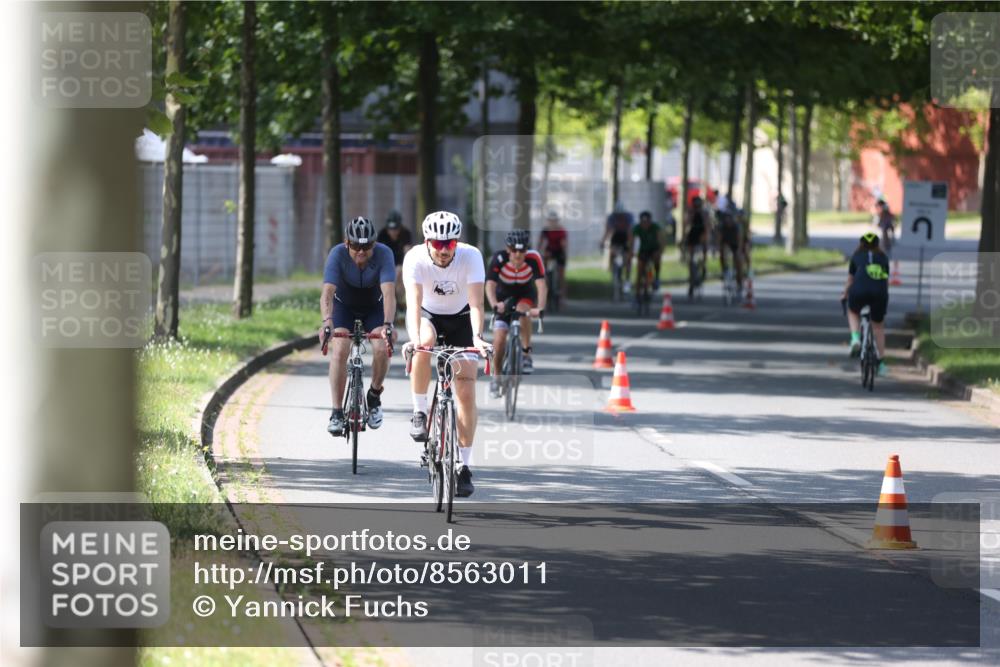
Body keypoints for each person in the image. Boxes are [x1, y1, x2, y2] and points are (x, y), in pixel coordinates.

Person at [402, 211, 491, 497]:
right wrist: (415, 340)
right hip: (428, 315)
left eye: (449, 244)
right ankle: (419, 411)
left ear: (457, 242)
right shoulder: (415, 258)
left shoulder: (471, 256)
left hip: (462, 318)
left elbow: (476, 303)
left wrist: (478, 338)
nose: (443, 250)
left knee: (465, 389)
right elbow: (413, 304)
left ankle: (464, 466)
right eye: (438, 244)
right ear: (427, 242)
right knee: (424, 344)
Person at [320, 216, 396, 437]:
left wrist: (388, 325)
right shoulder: (337, 254)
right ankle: (336, 412)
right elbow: (327, 293)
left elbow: (389, 294)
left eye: (367, 246)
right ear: (347, 243)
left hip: (374, 307)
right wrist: (327, 322)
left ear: (374, 243)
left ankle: (374, 395)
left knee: (381, 347)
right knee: (340, 349)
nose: (361, 252)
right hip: (344, 307)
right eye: (355, 246)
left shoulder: (384, 253)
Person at [486, 230, 547, 397]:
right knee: (499, 340)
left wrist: (540, 308)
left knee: (523, 311)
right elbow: (490, 284)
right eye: (514, 250)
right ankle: (496, 377)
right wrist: (494, 304)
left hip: (525, 295)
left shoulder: (534, 258)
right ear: (508, 249)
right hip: (503, 298)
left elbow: (541, 286)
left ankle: (526, 354)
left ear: (527, 250)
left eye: (522, 250)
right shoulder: (499, 258)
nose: (518, 254)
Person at [842, 232, 890, 376]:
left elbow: (850, 280)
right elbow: (885, 279)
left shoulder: (856, 256)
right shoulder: (883, 257)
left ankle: (855, 339)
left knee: (853, 311)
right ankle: (881, 364)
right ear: (877, 244)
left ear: (861, 244)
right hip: (879, 293)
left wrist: (844, 294)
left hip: (859, 291)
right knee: (878, 327)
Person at [376, 210, 413, 317]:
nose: (393, 232)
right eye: (390, 229)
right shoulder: (382, 235)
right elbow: (379, 255)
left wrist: (403, 267)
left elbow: (407, 253)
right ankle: (391, 305)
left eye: (396, 229)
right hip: (386, 265)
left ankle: (400, 304)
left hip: (401, 265)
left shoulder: (405, 234)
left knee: (400, 275)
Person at [601, 201, 635, 293]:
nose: (619, 216)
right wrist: (603, 242)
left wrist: (630, 247)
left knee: (627, 258)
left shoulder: (629, 217)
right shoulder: (611, 217)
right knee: (612, 251)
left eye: (621, 214)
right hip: (616, 237)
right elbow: (608, 231)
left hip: (626, 236)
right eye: (618, 215)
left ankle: (627, 278)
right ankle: (613, 269)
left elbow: (631, 233)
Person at [683, 196, 711, 298]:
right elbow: (687, 224)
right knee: (691, 260)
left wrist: (706, 239)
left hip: (702, 233)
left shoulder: (704, 212)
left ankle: (703, 266)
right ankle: (691, 283)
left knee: (703, 250)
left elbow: (707, 225)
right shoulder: (690, 212)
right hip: (693, 234)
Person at [537, 210, 568, 302]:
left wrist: (564, 252)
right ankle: (545, 294)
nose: (552, 223)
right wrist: (539, 253)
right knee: (544, 273)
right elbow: (540, 243)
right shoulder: (545, 230)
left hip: (559, 251)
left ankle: (562, 298)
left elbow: (564, 244)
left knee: (561, 275)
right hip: (549, 251)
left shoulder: (561, 230)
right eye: (551, 220)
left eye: (554, 221)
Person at [632, 211, 663, 294]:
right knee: (639, 271)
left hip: (654, 249)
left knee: (656, 260)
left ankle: (656, 277)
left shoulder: (655, 227)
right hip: (643, 250)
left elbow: (661, 240)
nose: (645, 224)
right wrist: (631, 252)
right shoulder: (637, 228)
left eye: (647, 222)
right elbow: (632, 241)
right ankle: (637, 293)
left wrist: (660, 251)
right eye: (643, 222)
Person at [716, 201, 744, 290]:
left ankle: (739, 282)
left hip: (735, 243)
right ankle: (724, 270)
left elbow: (739, 240)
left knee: (738, 260)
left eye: (729, 218)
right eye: (726, 218)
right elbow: (719, 239)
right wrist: (719, 247)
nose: (727, 220)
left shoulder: (736, 226)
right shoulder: (722, 226)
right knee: (722, 254)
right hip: (726, 242)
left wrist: (739, 250)